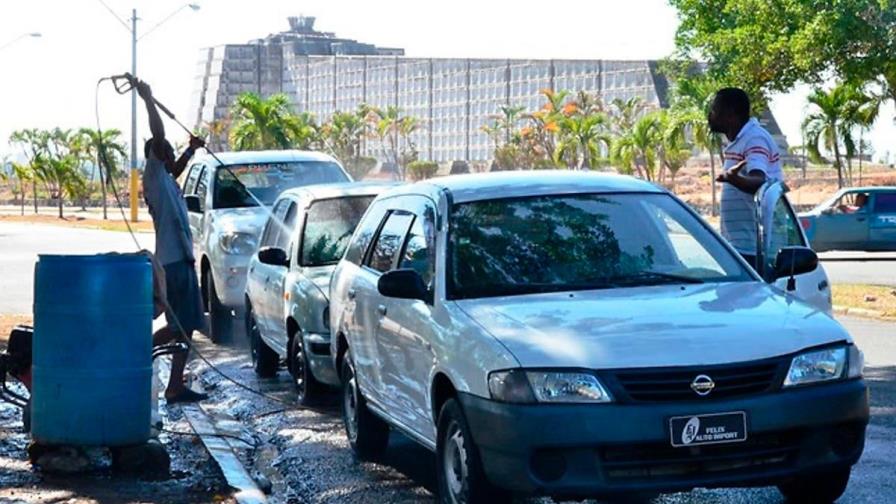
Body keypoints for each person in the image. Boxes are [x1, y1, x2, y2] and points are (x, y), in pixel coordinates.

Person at [136, 78, 208, 404]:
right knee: (180, 325)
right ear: (154, 153)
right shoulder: (152, 176)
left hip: (182, 261)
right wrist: (149, 100)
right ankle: (136, 350)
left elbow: (175, 168)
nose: (169, 151)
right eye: (164, 149)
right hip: (173, 263)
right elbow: (160, 135)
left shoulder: (166, 179)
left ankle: (175, 385)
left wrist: (191, 150)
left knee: (186, 326)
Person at [709, 87, 783, 269]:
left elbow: (759, 181)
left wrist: (734, 180)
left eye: (715, 110)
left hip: (754, 249)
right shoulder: (740, 141)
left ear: (731, 114)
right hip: (739, 246)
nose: (711, 115)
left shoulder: (754, 139)